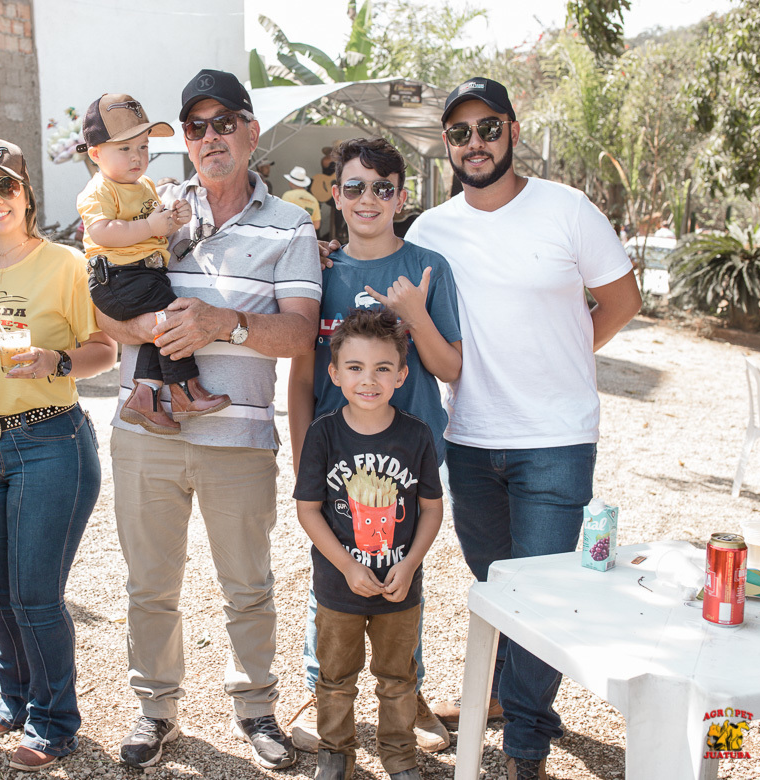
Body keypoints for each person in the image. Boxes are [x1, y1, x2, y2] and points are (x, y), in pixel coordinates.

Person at [404, 77, 641, 780]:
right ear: (447, 144)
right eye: (460, 133)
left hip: (557, 440)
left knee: (544, 594)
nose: (475, 143)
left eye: (488, 128)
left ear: (513, 129)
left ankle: (526, 748)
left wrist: (565, 354)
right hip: (471, 439)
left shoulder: (567, 209)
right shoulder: (430, 231)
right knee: (499, 582)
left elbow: (622, 300)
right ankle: (513, 696)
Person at [97, 68, 321, 771]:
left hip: (240, 437)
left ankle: (256, 708)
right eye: (196, 126)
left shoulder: (290, 224)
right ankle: (155, 709)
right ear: (185, 140)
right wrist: (151, 327)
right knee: (148, 586)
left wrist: (225, 324)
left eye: (225, 122)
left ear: (252, 132)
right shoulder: (154, 207)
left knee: (247, 587)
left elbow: (302, 334)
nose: (210, 136)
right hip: (146, 433)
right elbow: (103, 309)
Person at [0, 136, 116, 772]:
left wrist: (56, 360)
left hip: (48, 442)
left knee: (36, 596)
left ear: (26, 193)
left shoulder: (65, 264)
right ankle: (15, 698)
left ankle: (54, 720)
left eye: (6, 185)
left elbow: (105, 350)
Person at [288, 137, 461, 756]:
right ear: (335, 195)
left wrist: (415, 314)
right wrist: (303, 459)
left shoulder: (428, 268)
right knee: (333, 576)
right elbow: (302, 375)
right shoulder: (318, 270)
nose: (368, 199)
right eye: (355, 187)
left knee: (399, 572)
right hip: (335, 460)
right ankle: (322, 691)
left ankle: (407, 696)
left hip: (406, 459)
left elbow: (450, 368)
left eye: (382, 188)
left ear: (401, 197)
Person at [293, 308, 444, 780]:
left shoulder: (416, 435)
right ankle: (336, 754)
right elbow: (308, 509)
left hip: (400, 586)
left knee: (399, 678)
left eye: (382, 368)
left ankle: (399, 756)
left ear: (401, 375)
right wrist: (346, 566)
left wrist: (411, 562)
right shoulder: (323, 434)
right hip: (339, 587)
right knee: (335, 678)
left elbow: (432, 509)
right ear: (335, 373)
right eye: (355, 367)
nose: (368, 380)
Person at [76, 92, 229, 436]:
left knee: (156, 330)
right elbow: (101, 232)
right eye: (125, 148)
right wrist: (149, 226)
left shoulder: (144, 185)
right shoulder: (99, 190)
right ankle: (186, 391)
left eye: (143, 147)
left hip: (145, 273)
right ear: (96, 154)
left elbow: (155, 226)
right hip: (117, 278)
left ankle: (144, 397)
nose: (137, 156)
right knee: (173, 317)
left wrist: (173, 219)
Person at [282, 165, 322, 233]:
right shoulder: (314, 199)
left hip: (291, 233)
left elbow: (283, 217)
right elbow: (316, 225)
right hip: (307, 235)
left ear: (290, 182)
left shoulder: (288, 195)